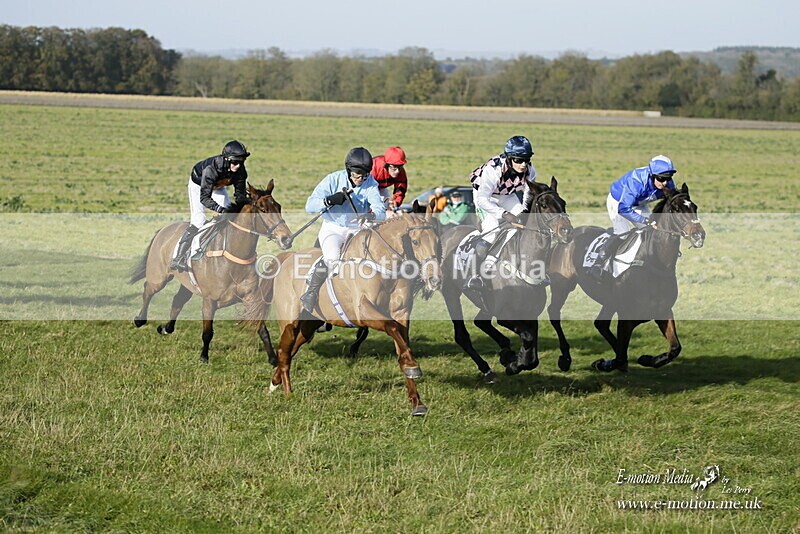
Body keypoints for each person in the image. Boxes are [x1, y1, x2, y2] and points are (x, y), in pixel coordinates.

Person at [301, 147, 387, 312]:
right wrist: (328, 201)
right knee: (333, 258)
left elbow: (381, 211)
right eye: (357, 175)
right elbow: (309, 206)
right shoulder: (332, 179)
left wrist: (371, 216)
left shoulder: (371, 183)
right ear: (348, 171)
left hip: (358, 230)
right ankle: (310, 291)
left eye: (364, 176)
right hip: (334, 227)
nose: (360, 180)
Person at [465, 135, 538, 290]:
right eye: (518, 160)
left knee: (526, 224)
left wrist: (523, 214)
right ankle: (474, 275)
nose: (523, 164)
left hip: (508, 196)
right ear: (510, 158)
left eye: (526, 159)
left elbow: (527, 196)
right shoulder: (493, 170)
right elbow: (483, 200)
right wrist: (504, 214)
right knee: (492, 230)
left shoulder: (530, 171)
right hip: (485, 197)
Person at [589, 154, 677, 279]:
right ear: (652, 175)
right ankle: (598, 263)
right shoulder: (636, 182)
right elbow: (624, 208)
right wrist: (645, 220)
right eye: (662, 179)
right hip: (619, 202)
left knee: (652, 232)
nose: (665, 183)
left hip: (638, 204)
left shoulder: (668, 183)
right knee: (623, 233)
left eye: (669, 178)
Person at [170, 140, 250, 272]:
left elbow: (240, 195)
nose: (238, 166)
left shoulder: (240, 171)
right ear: (227, 159)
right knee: (198, 220)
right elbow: (204, 198)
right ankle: (179, 257)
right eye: (235, 162)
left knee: (230, 216)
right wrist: (219, 209)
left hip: (218, 186)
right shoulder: (211, 169)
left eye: (241, 162)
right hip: (198, 185)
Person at [371, 146, 408, 215]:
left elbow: (400, 192)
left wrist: (395, 202)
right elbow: (367, 191)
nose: (397, 171)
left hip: (381, 188)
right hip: (365, 188)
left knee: (387, 208)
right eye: (394, 167)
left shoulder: (401, 172)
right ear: (386, 165)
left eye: (400, 167)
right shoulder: (374, 167)